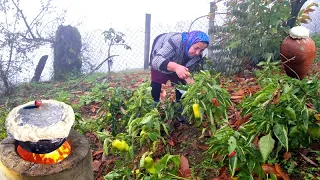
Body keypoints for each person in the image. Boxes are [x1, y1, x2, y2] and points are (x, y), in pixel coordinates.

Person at [149, 30, 210, 103]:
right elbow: (156, 61)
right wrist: (176, 67)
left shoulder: (198, 56)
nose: (197, 52)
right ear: (190, 42)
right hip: (161, 50)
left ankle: (179, 104)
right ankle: (154, 101)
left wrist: (195, 90)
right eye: (196, 48)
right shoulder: (176, 41)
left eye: (201, 50)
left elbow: (187, 75)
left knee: (181, 80)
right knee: (157, 78)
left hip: (178, 60)